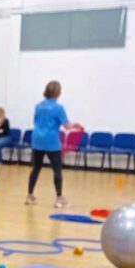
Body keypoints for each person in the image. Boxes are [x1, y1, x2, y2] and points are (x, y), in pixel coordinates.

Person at [26, 81, 82, 209]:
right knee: (57, 169)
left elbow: (35, 122)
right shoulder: (59, 108)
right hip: (51, 141)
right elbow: (67, 126)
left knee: (36, 168)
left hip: (37, 139)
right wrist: (75, 125)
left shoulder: (38, 106)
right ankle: (59, 198)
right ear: (58, 93)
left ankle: (29, 196)